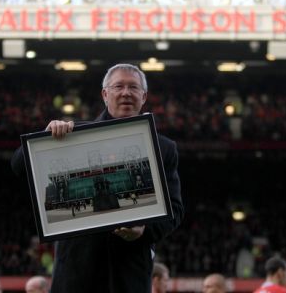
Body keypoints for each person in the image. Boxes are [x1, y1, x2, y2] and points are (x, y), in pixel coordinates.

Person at [11, 63, 184, 293]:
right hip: (76, 273)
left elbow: (175, 210)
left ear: (143, 96)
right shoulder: (72, 135)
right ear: (105, 94)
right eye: (118, 86)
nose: (126, 93)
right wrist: (44, 138)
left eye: (133, 87)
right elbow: (18, 166)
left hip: (128, 274)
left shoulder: (163, 148)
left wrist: (145, 230)